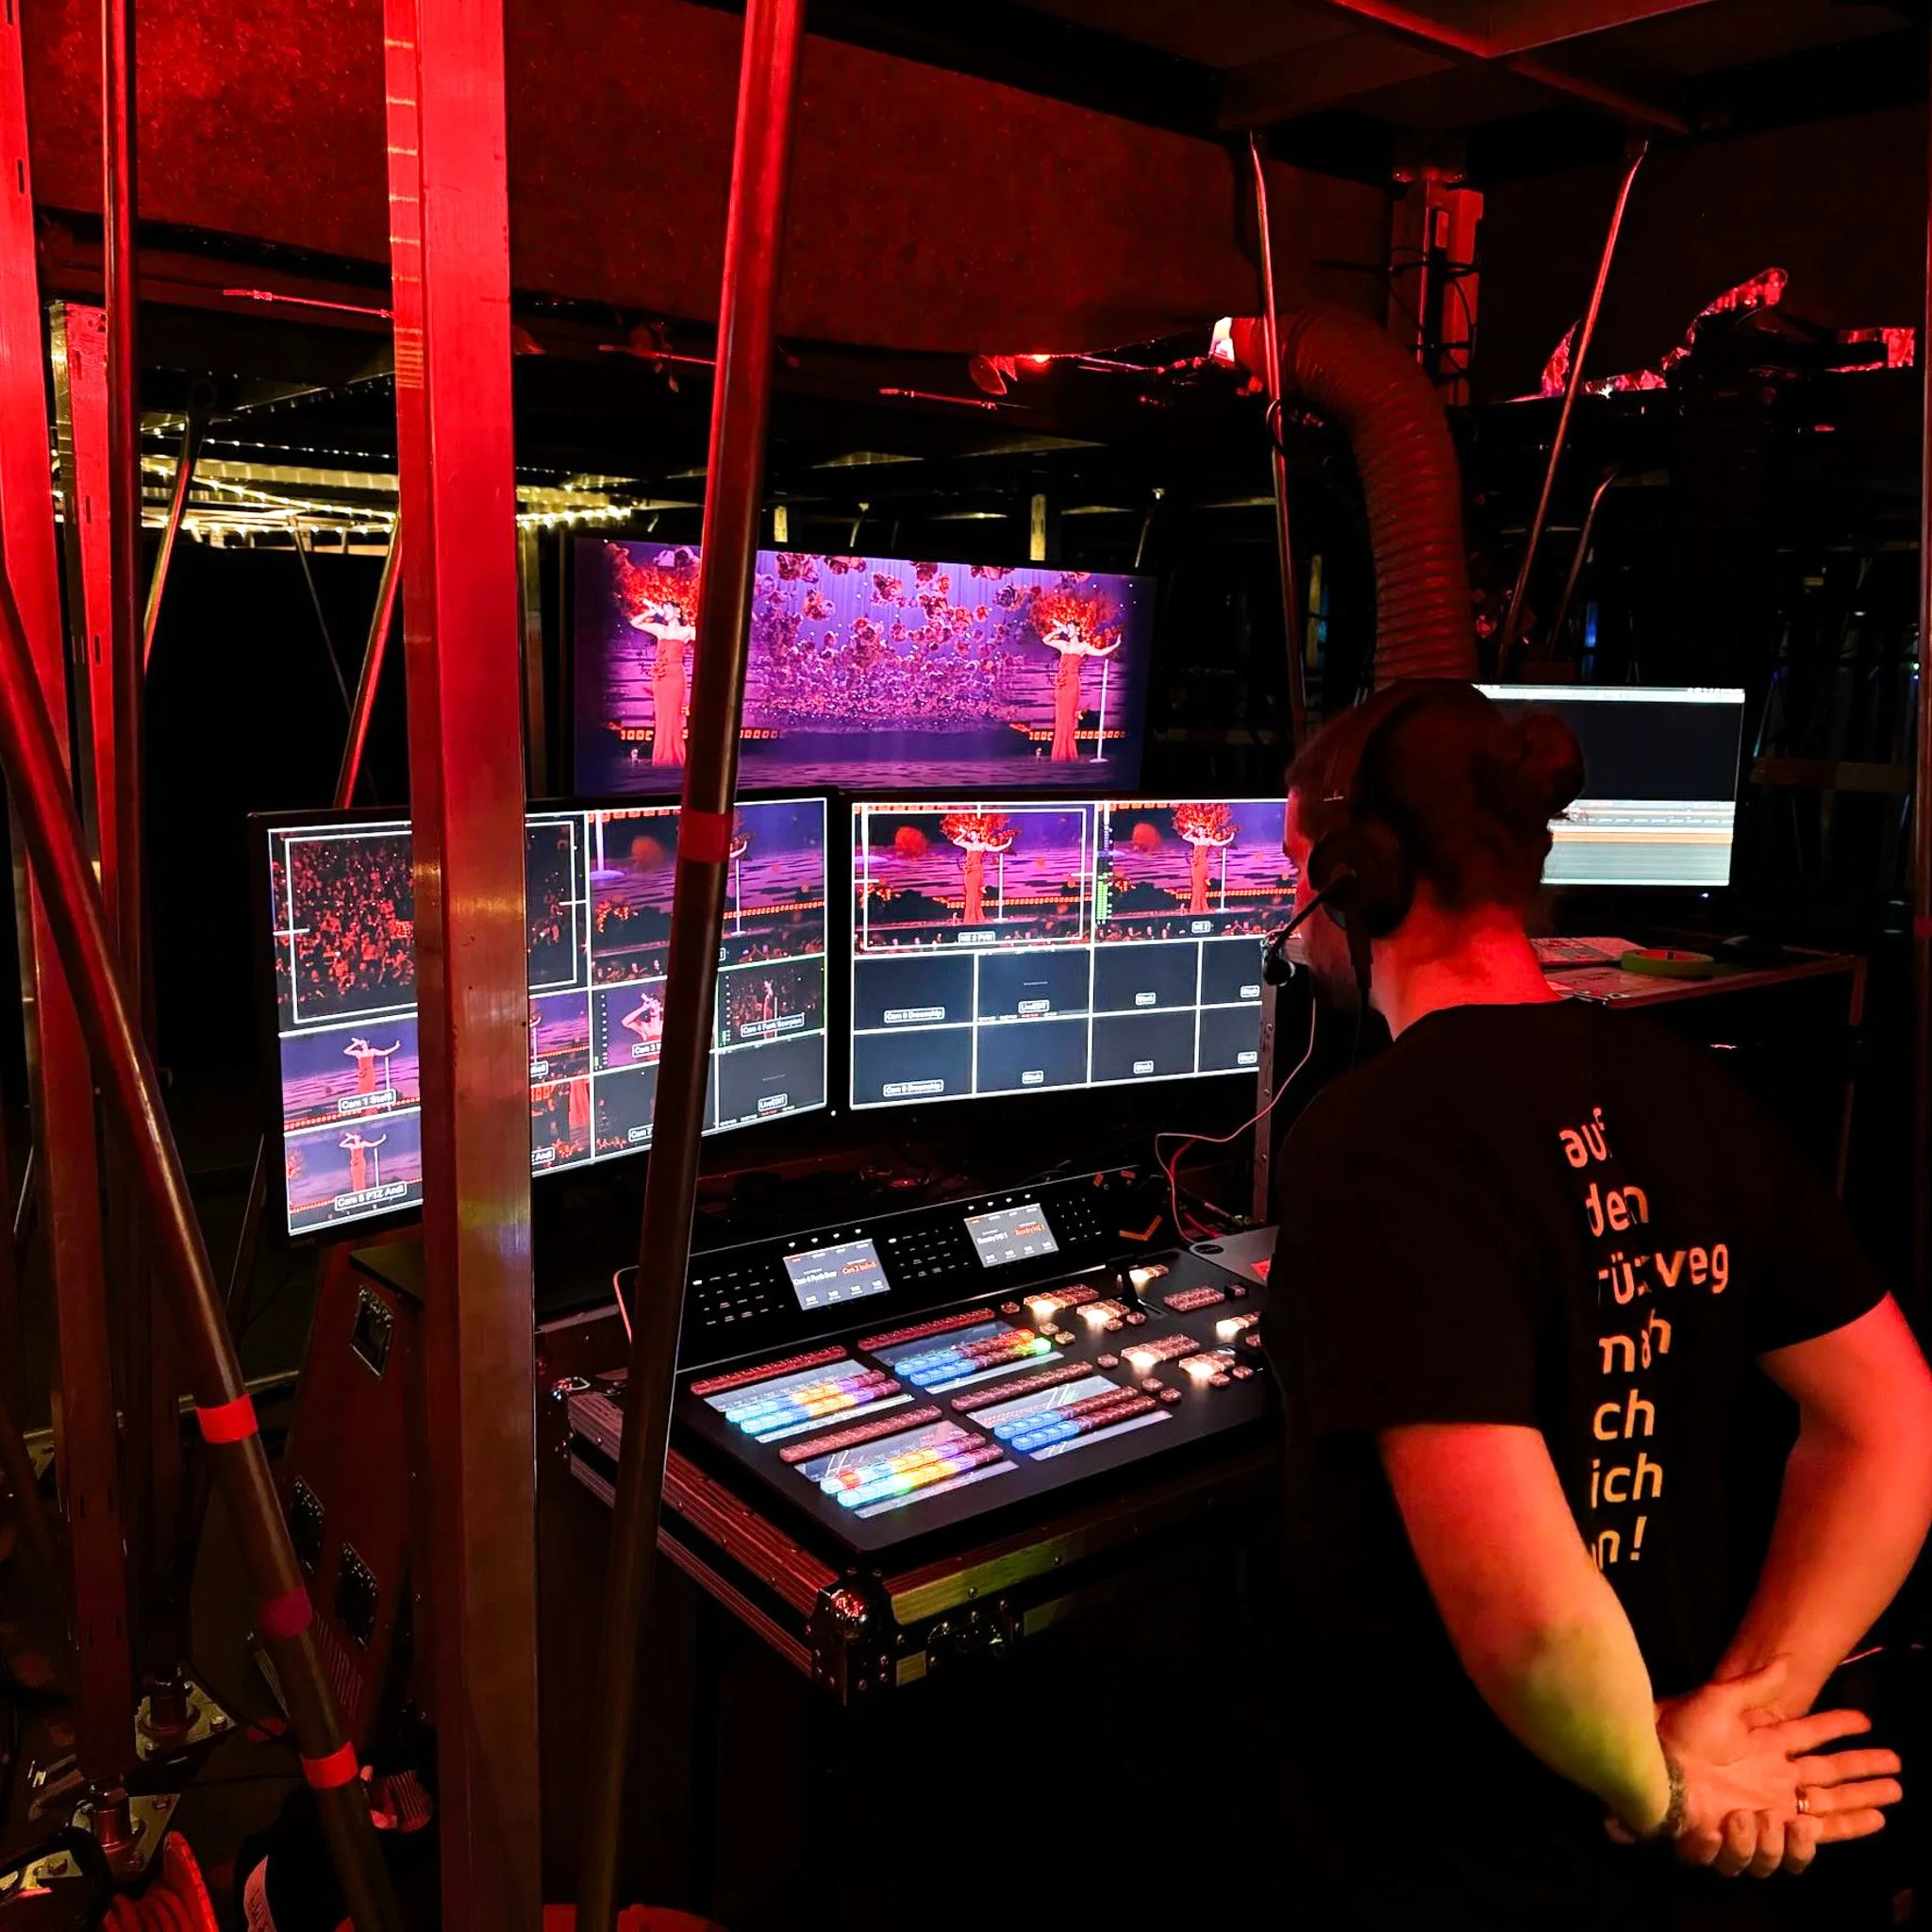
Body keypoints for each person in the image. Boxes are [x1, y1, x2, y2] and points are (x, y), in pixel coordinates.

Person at [1262, 679, 1932, 1929]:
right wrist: (1755, 1700)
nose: (1295, 918)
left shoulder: (1375, 1142)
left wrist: (1667, 1790)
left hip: (1472, 1848)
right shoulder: (1685, 1087)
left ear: (1354, 882)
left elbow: (1525, 1618)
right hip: (1664, 1806)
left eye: (1299, 871)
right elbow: (1889, 1410)